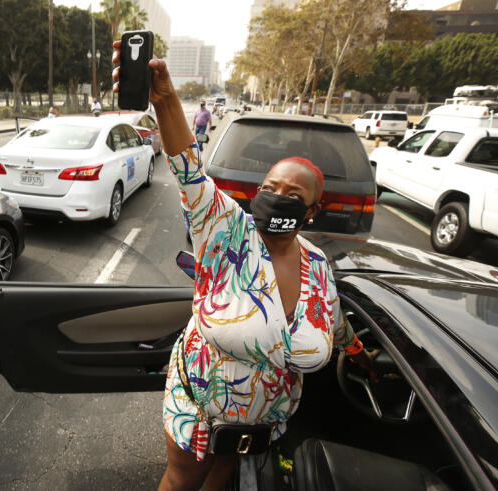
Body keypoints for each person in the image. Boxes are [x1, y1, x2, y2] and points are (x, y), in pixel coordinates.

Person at [112, 41, 378, 491]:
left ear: (312, 212)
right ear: (258, 192)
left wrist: (365, 359)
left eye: (294, 195)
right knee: (182, 481)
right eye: (272, 187)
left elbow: (335, 328)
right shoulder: (225, 231)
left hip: (264, 422)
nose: (279, 196)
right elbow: (189, 169)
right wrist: (165, 100)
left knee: (225, 475)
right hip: (199, 409)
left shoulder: (317, 267)